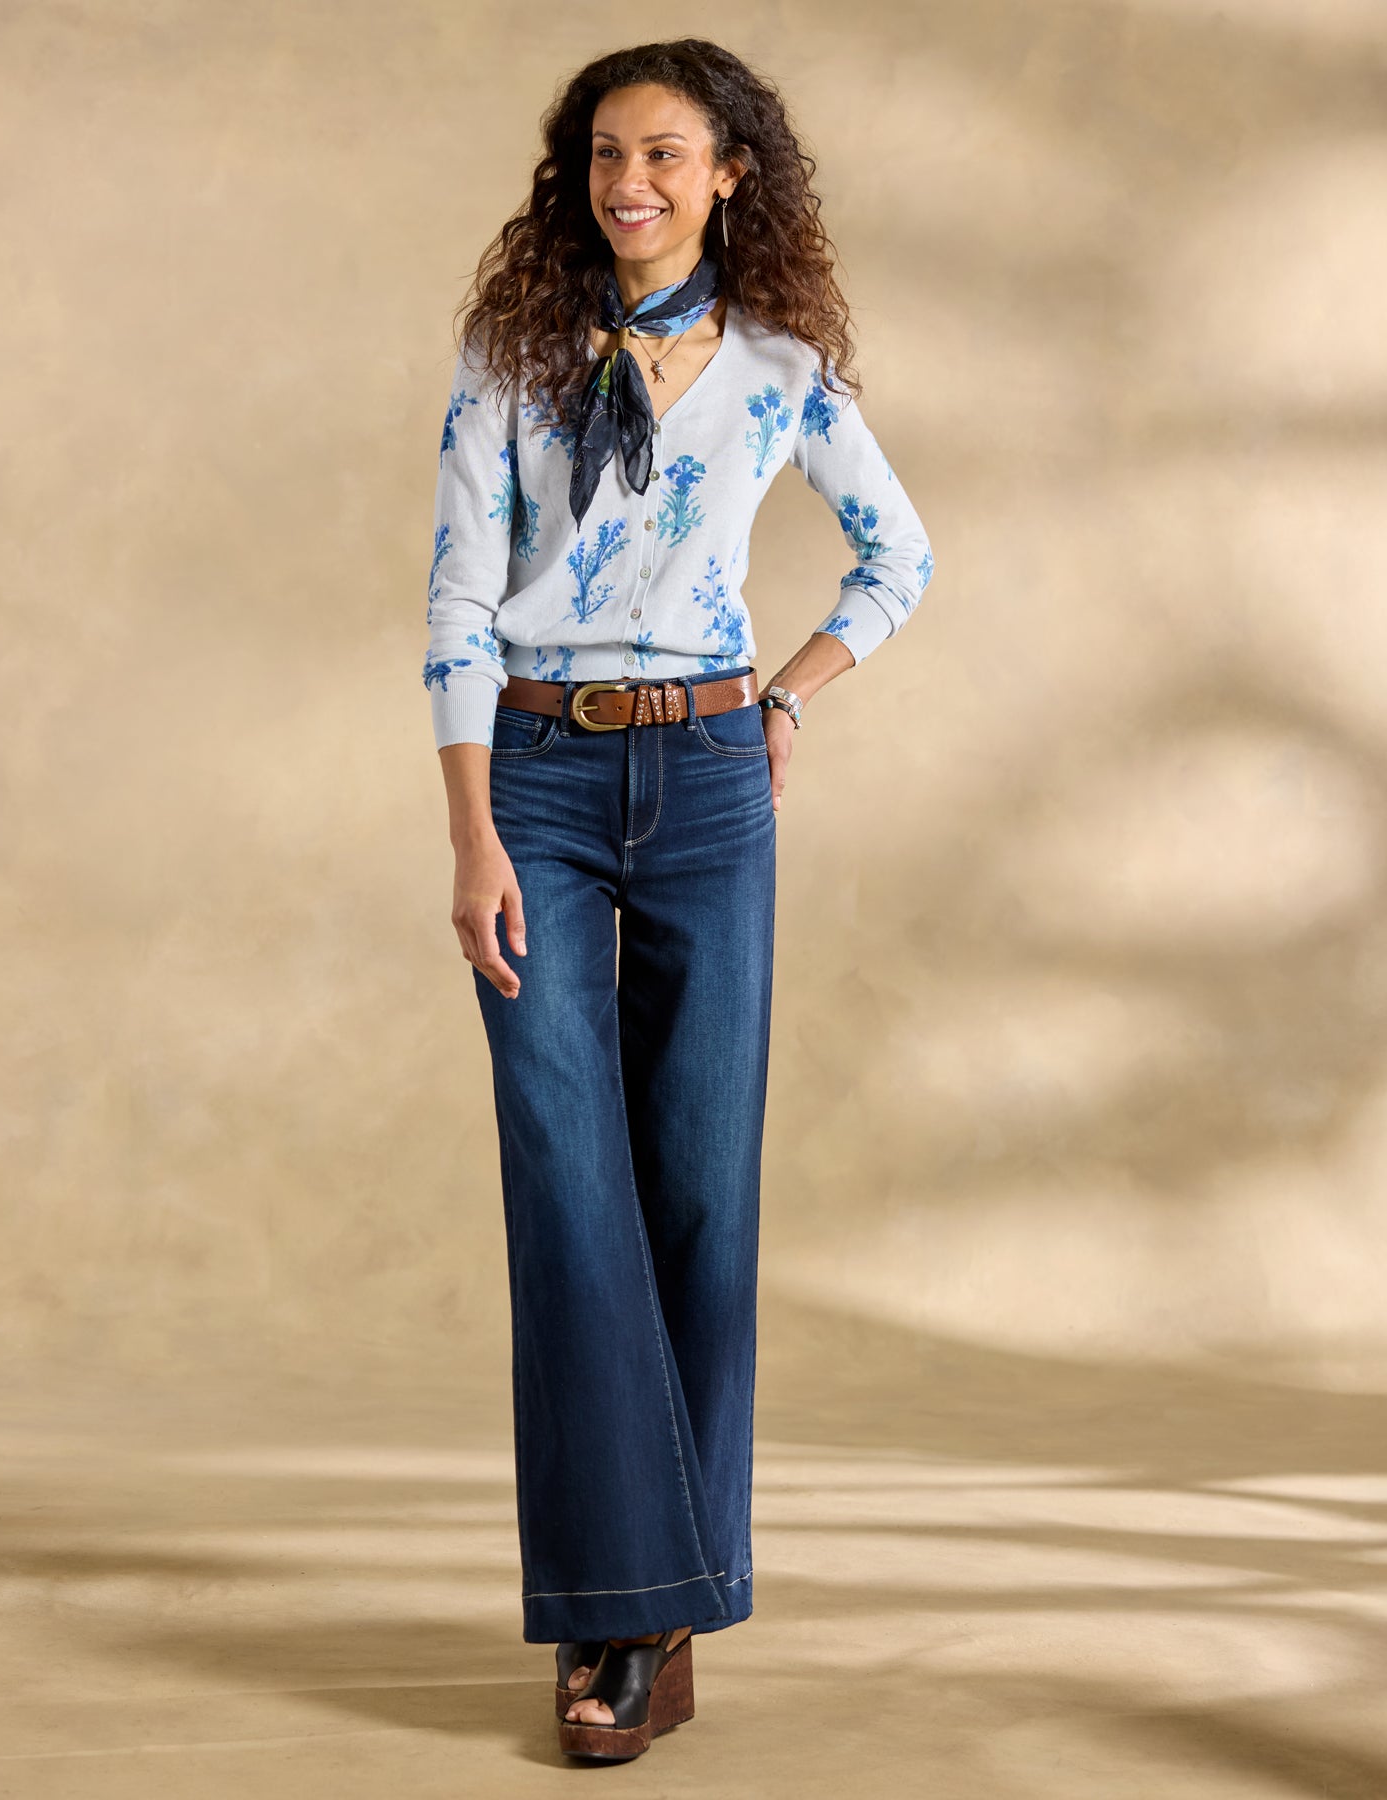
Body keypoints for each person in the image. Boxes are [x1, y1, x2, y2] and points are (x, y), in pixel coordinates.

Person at [422, 37, 933, 1763]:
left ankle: (656, 1613)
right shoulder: (512, 354)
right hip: (540, 780)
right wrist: (472, 834)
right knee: (571, 1185)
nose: (627, 181)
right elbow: (456, 605)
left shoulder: (783, 369)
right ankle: (627, 1607)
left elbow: (901, 557)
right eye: (602, 154)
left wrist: (789, 697)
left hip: (712, 780)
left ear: (728, 174)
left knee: (703, 1193)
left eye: (662, 153)